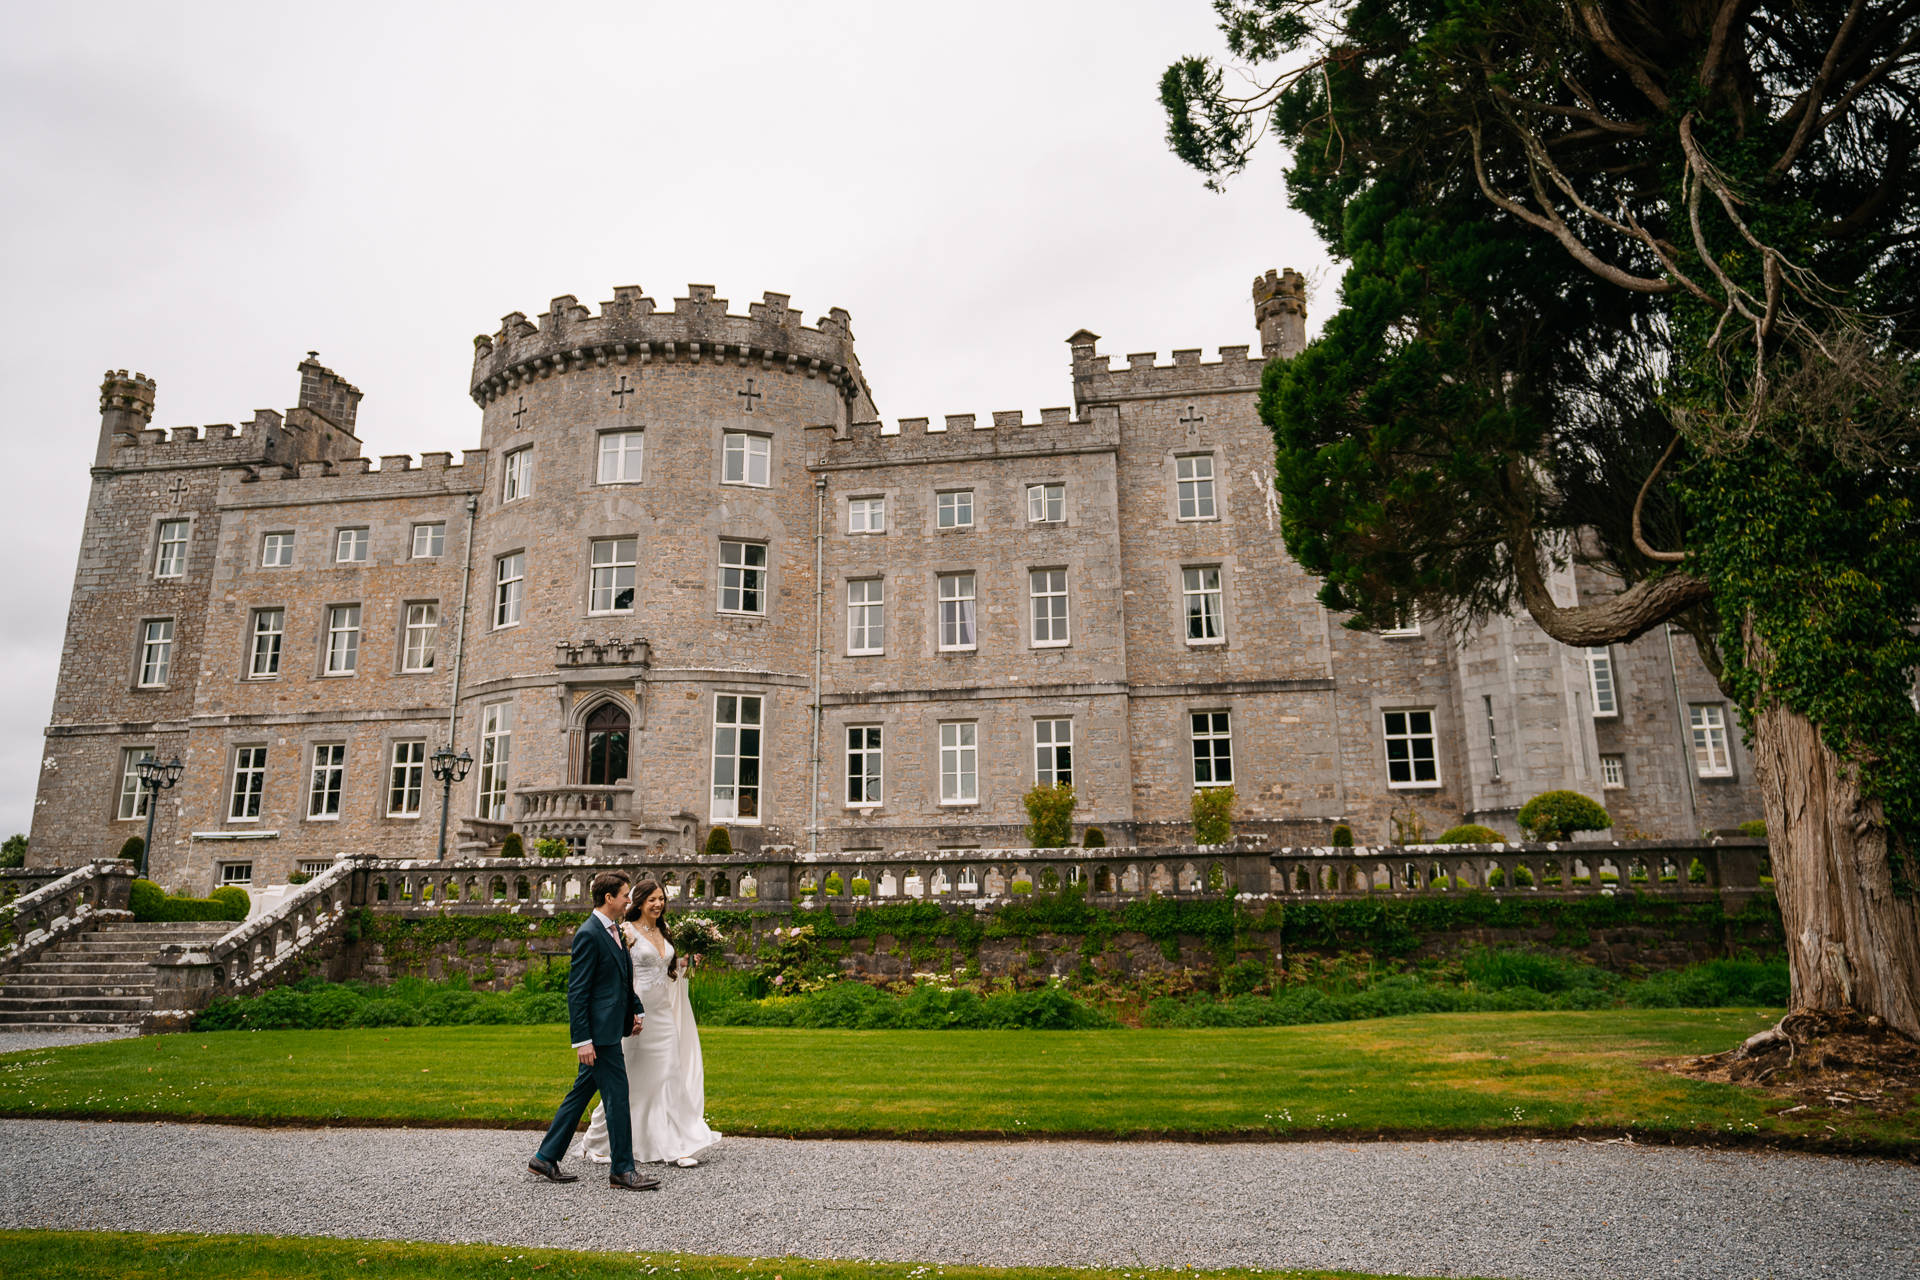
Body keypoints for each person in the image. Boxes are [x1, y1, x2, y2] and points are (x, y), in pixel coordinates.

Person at [527, 870, 658, 1191]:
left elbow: (619, 980)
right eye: (625, 895)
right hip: (599, 1036)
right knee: (618, 1097)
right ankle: (623, 1171)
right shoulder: (589, 933)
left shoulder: (615, 929)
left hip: (612, 1027)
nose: (630, 899)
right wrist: (582, 1040)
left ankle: (545, 1157)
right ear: (609, 898)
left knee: (580, 1094)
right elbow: (578, 991)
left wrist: (635, 1009)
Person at [578, 877, 722, 1167]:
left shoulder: (664, 930)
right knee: (629, 1081)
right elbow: (618, 973)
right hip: (635, 1015)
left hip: (663, 1013)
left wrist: (685, 963)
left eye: (662, 899)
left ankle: (678, 1145)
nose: (659, 904)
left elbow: (665, 966)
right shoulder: (626, 931)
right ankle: (597, 1140)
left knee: (670, 1074)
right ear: (639, 901)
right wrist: (628, 1011)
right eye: (653, 899)